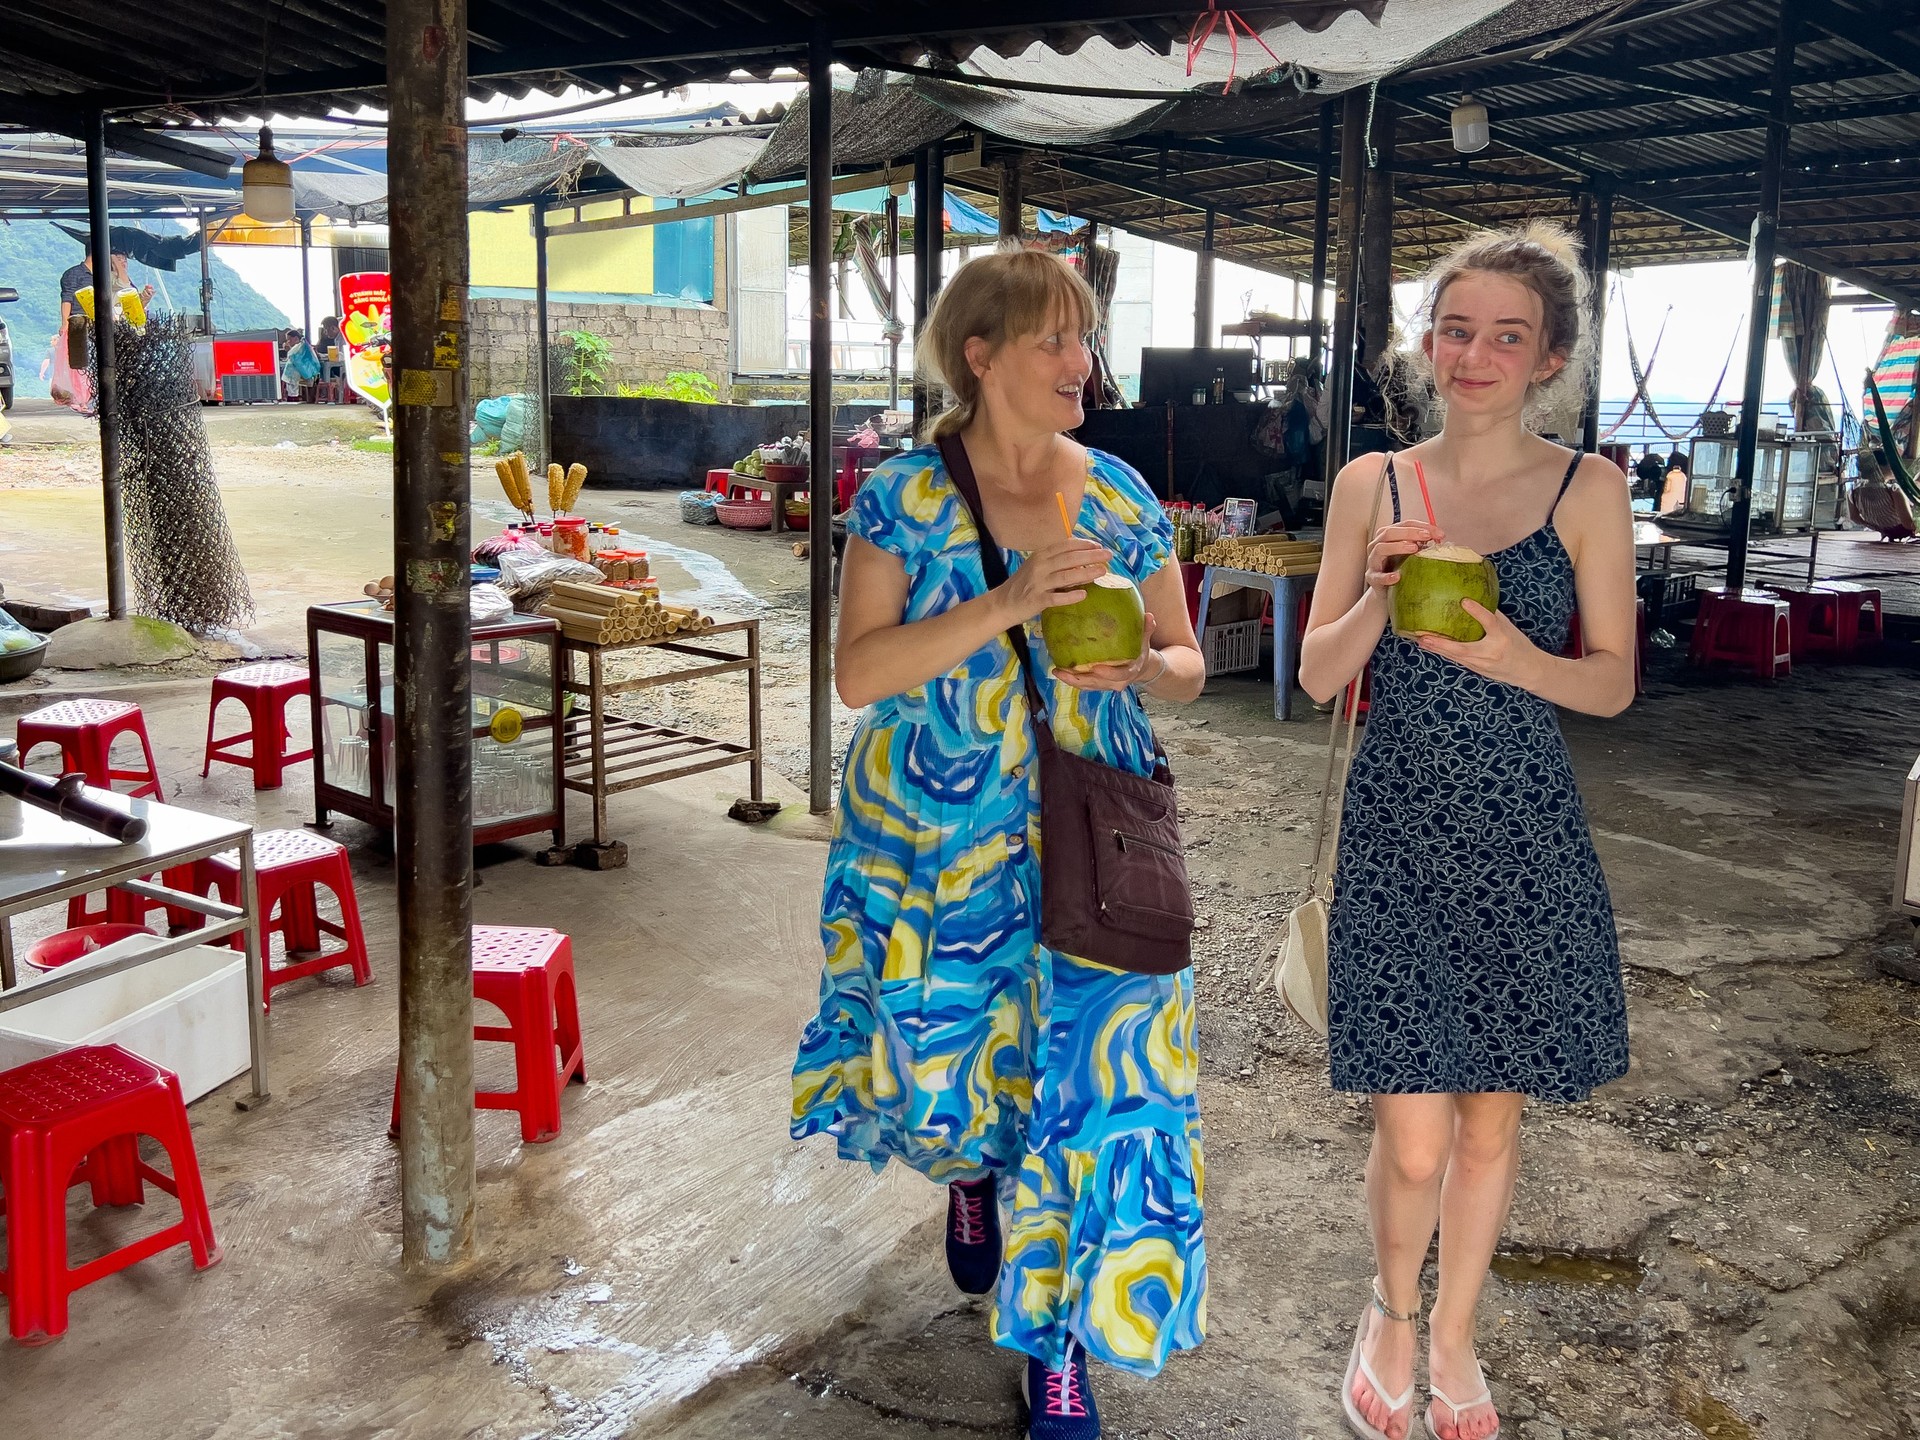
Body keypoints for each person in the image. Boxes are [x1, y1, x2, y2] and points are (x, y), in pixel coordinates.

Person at [791, 247, 1209, 1440]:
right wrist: (1007, 603)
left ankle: (1059, 1343)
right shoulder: (904, 498)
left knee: (1100, 1086)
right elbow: (859, 670)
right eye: (1057, 341)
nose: (1085, 364)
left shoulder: (1125, 496)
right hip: (937, 843)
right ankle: (976, 1178)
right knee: (977, 1058)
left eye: (1087, 339)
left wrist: (1147, 668)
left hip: (1098, 835)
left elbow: (1184, 663)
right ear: (980, 354)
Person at [1297, 221, 1635, 1440]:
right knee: (1416, 1125)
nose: (1477, 353)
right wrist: (1383, 596)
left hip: (1528, 840)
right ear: (1425, 344)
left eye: (1508, 335)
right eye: (1457, 328)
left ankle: (1455, 1337)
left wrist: (1509, 655)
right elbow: (1321, 671)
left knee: (1493, 1115)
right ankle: (1390, 1315)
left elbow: (1611, 685)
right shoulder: (1373, 485)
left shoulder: (1588, 489)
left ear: (1549, 357)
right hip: (1397, 833)